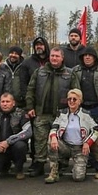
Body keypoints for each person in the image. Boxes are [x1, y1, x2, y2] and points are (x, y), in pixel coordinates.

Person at [25, 46, 77, 177]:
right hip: (41, 113)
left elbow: (76, 93)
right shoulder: (39, 72)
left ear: (62, 58)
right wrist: (30, 107)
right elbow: (30, 90)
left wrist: (72, 110)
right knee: (40, 140)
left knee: (60, 140)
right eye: (52, 56)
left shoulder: (70, 74)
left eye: (57, 56)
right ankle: (39, 163)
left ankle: (60, 163)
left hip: (61, 114)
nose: (54, 58)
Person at [46, 89, 98, 183]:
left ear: (80, 101)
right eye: (69, 99)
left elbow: (96, 130)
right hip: (66, 146)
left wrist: (88, 143)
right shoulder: (62, 113)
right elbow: (54, 127)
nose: (72, 101)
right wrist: (54, 137)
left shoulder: (86, 114)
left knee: (78, 178)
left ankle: (76, 166)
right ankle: (54, 171)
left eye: (75, 99)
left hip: (80, 149)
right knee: (51, 140)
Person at [0, 92, 31, 179]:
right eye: (3, 102)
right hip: (0, 148)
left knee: (20, 146)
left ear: (13, 103)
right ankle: (5, 165)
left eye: (7, 102)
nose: (5, 104)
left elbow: (28, 131)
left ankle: (19, 169)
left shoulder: (21, 113)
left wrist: (8, 141)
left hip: (15, 146)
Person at [69, 46, 98, 122]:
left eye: (90, 55)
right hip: (80, 107)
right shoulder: (75, 70)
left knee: (96, 131)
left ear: (94, 58)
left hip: (97, 107)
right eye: (85, 55)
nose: (87, 57)